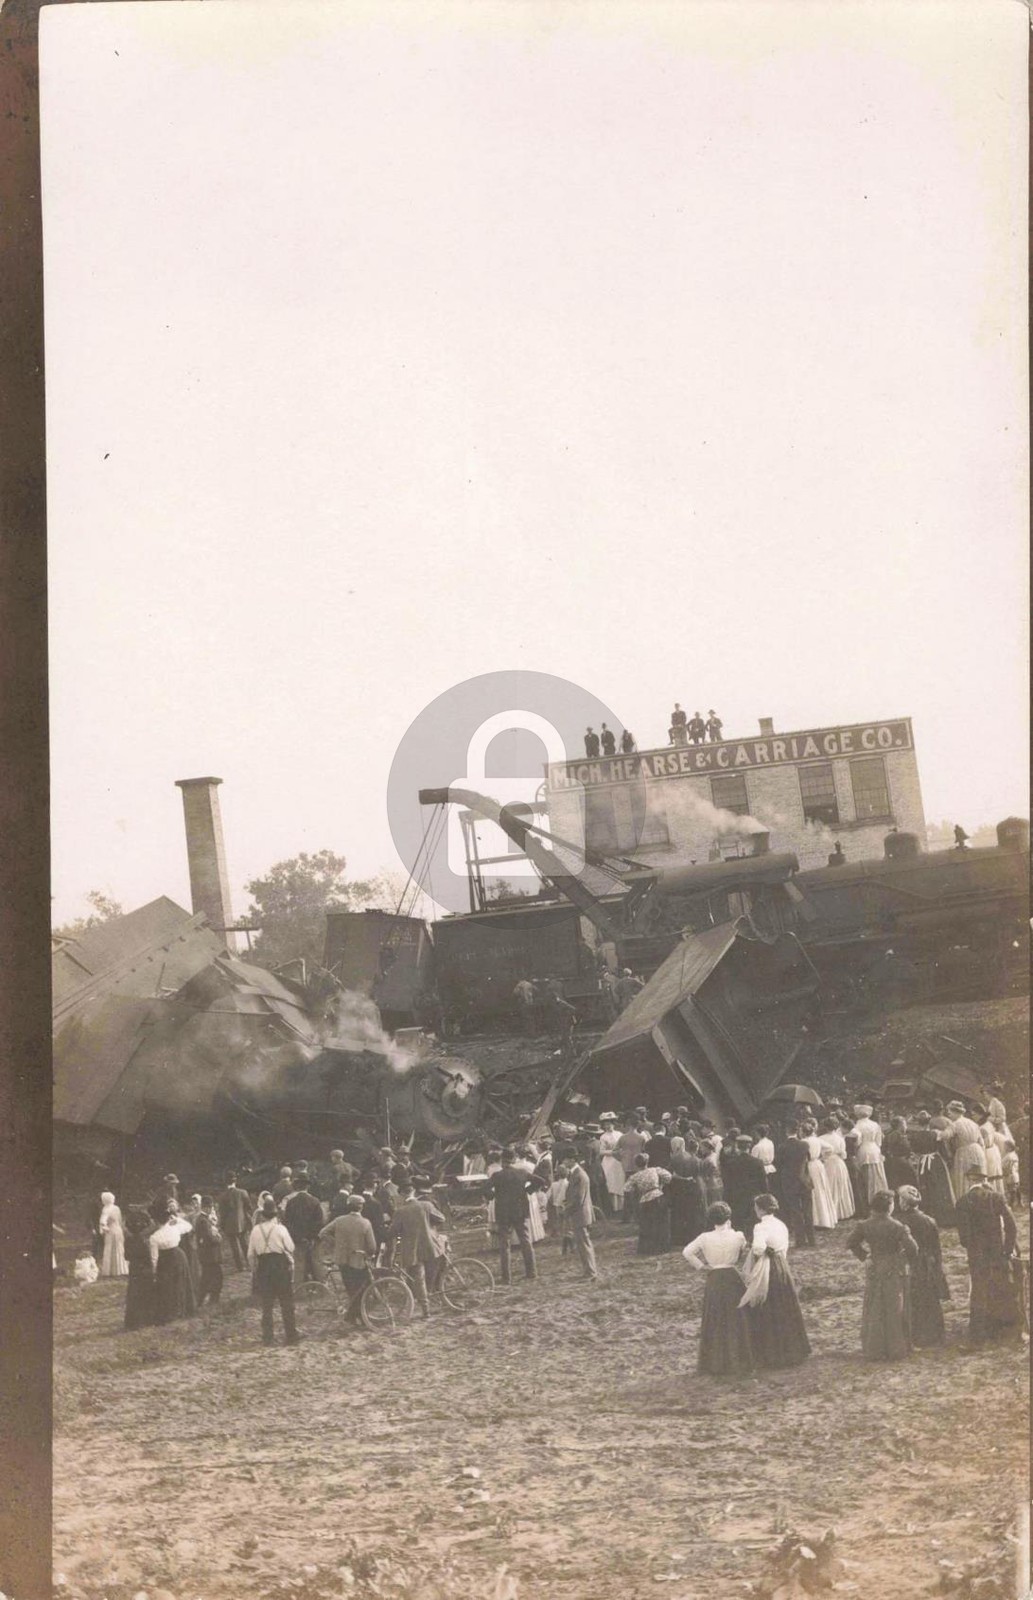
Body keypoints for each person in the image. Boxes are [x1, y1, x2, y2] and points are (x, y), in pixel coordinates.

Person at [739, 1195, 811, 1368]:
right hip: (782, 1265)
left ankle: (771, 1354)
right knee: (785, 1305)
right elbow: (784, 1246)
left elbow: (758, 1248)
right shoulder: (781, 1224)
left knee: (767, 1306)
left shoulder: (760, 1226)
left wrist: (760, 1256)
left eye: (756, 1207)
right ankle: (792, 1350)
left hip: (769, 1266)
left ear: (762, 1209)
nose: (755, 1210)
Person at [845, 1191, 918, 1361]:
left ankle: (875, 1349)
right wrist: (901, 1256)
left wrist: (865, 1256)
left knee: (875, 1306)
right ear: (890, 1207)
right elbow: (913, 1249)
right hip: (893, 1268)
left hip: (875, 1268)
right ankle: (896, 1349)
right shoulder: (898, 1226)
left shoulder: (864, 1225)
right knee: (894, 1307)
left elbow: (851, 1243)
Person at [682, 1204, 753, 1377]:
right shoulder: (738, 1235)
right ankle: (740, 1358)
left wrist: (701, 1266)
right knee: (737, 1317)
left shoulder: (705, 1237)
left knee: (715, 1317)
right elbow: (744, 1249)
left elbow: (687, 1252)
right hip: (732, 1276)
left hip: (714, 1276)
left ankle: (715, 1361)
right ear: (728, 1218)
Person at [954, 1169, 1023, 1346]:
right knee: (1001, 1287)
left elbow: (964, 1237)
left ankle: (978, 1335)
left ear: (969, 1181)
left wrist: (972, 1248)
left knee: (978, 1291)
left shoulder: (963, 1202)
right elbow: (1012, 1227)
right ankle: (1005, 1331)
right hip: (998, 1252)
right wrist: (1007, 1250)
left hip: (977, 1254)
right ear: (984, 1180)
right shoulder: (996, 1198)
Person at [896, 1187, 948, 1347]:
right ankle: (935, 1334)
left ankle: (915, 1335)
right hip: (928, 1264)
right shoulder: (929, 1220)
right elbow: (936, 1248)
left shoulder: (900, 1222)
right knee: (930, 1298)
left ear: (904, 1203)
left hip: (910, 1262)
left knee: (912, 1299)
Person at [384, 1180, 445, 1315]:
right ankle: (434, 1296)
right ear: (414, 1192)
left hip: (412, 1250)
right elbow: (441, 1219)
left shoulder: (400, 1211)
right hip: (431, 1246)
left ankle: (425, 1309)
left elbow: (393, 1232)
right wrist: (429, 1227)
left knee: (418, 1278)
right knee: (431, 1273)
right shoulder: (426, 1205)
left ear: (401, 1195)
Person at [247, 1196, 300, 1346]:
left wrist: (254, 1270)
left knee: (267, 1304)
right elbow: (291, 1247)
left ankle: (268, 1338)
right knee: (286, 1302)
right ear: (275, 1215)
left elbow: (250, 1254)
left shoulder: (255, 1230)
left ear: (263, 1215)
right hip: (280, 1265)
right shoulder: (280, 1229)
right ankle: (291, 1336)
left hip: (264, 1266)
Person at [319, 1195, 377, 1323]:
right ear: (361, 1207)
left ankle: (352, 1316)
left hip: (342, 1259)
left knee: (351, 1289)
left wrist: (336, 1244)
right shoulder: (365, 1223)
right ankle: (356, 1316)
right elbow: (372, 1247)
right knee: (361, 1288)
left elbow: (322, 1233)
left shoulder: (339, 1220)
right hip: (358, 1259)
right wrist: (370, 1254)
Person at [487, 1148, 537, 1285]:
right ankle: (531, 1272)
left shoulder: (497, 1176)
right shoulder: (521, 1173)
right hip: (520, 1211)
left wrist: (493, 1196)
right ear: (514, 1160)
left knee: (505, 1245)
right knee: (525, 1241)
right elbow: (541, 1181)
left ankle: (506, 1277)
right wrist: (527, 1191)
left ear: (502, 1161)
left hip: (503, 1213)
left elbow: (484, 1189)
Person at [149, 1205, 198, 1324]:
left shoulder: (154, 1237)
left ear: (155, 1221)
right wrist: (177, 1219)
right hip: (179, 1255)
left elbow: (154, 1258)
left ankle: (171, 1312)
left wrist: (154, 1272)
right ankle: (185, 1308)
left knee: (168, 1285)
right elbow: (189, 1226)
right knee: (182, 1281)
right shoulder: (174, 1228)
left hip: (165, 1260)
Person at [906, 1111, 955, 1227]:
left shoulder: (915, 1135)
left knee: (925, 1187)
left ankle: (928, 1215)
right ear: (929, 1122)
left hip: (923, 1162)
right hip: (936, 1162)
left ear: (918, 1123)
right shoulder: (935, 1134)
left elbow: (914, 1150)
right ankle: (943, 1218)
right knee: (940, 1187)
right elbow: (943, 1149)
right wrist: (948, 1159)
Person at [561, 1148, 598, 1280]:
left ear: (572, 1160)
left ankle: (590, 1273)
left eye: (565, 1159)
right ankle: (588, 1271)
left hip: (580, 1214)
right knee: (583, 1244)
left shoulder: (579, 1175)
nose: (563, 1162)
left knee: (584, 1245)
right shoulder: (575, 1173)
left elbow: (578, 1199)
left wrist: (566, 1210)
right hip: (579, 1213)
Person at [282, 1174, 326, 1285]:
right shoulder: (315, 1201)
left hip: (297, 1240)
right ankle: (321, 1287)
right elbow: (319, 1223)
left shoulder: (291, 1202)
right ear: (307, 1187)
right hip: (313, 1240)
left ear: (296, 1187)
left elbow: (287, 1222)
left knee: (299, 1264)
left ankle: (298, 1289)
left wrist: (299, 1237)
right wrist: (312, 1237)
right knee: (316, 1262)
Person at [624, 1155, 671, 1255]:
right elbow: (668, 1176)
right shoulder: (655, 1170)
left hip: (646, 1199)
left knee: (647, 1225)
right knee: (661, 1222)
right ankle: (663, 1247)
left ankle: (648, 1249)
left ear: (636, 1164)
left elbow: (626, 1188)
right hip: (658, 1195)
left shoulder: (635, 1176)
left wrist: (636, 1189)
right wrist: (661, 1184)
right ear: (647, 1162)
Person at [666, 1137, 708, 1249]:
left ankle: (678, 1238)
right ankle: (692, 1236)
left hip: (678, 1189)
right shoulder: (696, 1160)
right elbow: (701, 1174)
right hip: (694, 1187)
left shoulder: (675, 1158)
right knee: (693, 1213)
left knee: (679, 1213)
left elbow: (669, 1173)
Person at [799, 1120, 837, 1231]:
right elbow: (830, 1148)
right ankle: (824, 1219)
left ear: (803, 1132)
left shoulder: (803, 1142)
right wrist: (822, 1157)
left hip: (809, 1165)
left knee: (812, 1191)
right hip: (818, 1164)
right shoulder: (817, 1139)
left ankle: (815, 1220)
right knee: (821, 1190)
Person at [123, 1209, 157, 1330]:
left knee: (134, 1294)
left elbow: (126, 1256)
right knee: (146, 1293)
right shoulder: (145, 1241)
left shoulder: (129, 1240)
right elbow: (149, 1256)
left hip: (134, 1269)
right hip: (145, 1268)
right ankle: (146, 1319)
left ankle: (133, 1321)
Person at [947, 1102, 986, 1199]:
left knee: (964, 1178)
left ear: (956, 1112)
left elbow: (948, 1142)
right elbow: (981, 1143)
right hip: (978, 1151)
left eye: (950, 1112)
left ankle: (966, 1203)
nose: (949, 1115)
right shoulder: (973, 1123)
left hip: (963, 1153)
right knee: (977, 1177)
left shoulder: (955, 1124)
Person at [851, 1104, 888, 1207]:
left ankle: (868, 1203)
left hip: (863, 1150)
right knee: (877, 1177)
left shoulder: (856, 1126)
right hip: (875, 1150)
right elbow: (879, 1141)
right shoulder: (875, 1125)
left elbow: (857, 1142)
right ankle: (880, 1200)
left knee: (865, 1178)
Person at [818, 1119, 854, 1222]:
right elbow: (843, 1155)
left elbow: (820, 1153)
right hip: (838, 1163)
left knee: (828, 1186)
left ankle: (830, 1213)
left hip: (827, 1163)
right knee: (839, 1186)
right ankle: (839, 1211)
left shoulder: (820, 1138)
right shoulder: (840, 1138)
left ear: (825, 1126)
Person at [194, 1197, 224, 1306]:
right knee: (212, 1278)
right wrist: (219, 1238)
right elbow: (209, 1238)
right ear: (207, 1207)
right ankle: (206, 1300)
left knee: (209, 1278)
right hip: (210, 1255)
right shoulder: (203, 1221)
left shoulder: (204, 1219)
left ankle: (207, 1300)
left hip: (208, 1255)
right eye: (211, 1207)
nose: (212, 1209)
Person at [218, 1174, 251, 1271]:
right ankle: (249, 1263)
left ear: (225, 1182)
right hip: (242, 1222)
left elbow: (222, 1213)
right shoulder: (243, 1192)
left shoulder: (222, 1196)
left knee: (234, 1246)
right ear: (235, 1181)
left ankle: (240, 1266)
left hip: (229, 1224)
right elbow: (248, 1207)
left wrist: (222, 1225)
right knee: (244, 1243)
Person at [596, 1113, 626, 1217]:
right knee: (611, 1183)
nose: (608, 1126)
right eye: (606, 1124)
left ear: (614, 1124)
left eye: (610, 1124)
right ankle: (613, 1208)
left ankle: (622, 1208)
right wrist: (613, 1152)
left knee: (620, 1182)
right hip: (609, 1161)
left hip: (619, 1161)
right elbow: (601, 1151)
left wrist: (622, 1152)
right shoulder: (603, 1137)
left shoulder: (620, 1134)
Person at [98, 1191, 128, 1278]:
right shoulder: (117, 1208)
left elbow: (102, 1221)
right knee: (119, 1249)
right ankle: (121, 1269)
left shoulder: (106, 1209)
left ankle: (110, 1271)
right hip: (118, 1230)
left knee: (110, 1249)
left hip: (111, 1231)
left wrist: (104, 1228)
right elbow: (120, 1220)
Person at [883, 1117, 916, 1191]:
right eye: (905, 1124)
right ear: (900, 1125)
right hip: (898, 1162)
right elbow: (889, 1148)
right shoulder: (895, 1134)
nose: (906, 1126)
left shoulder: (898, 1134)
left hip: (899, 1160)